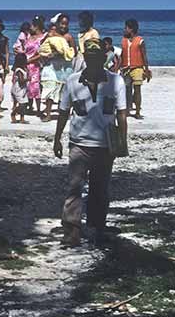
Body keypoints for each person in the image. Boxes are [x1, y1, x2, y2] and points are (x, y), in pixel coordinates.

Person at [53, 41, 128, 247]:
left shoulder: (116, 81)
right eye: (90, 56)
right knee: (74, 187)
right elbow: (63, 111)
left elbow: (122, 114)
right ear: (84, 57)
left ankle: (97, 227)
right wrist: (57, 138)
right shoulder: (72, 81)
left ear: (104, 57)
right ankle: (72, 230)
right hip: (79, 143)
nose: (93, 60)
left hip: (105, 145)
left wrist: (122, 141)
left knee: (100, 189)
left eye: (97, 57)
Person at [32, 13, 76, 121]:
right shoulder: (51, 34)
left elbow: (74, 51)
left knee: (63, 90)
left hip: (64, 67)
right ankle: (48, 113)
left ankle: (63, 113)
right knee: (49, 88)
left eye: (66, 24)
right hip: (51, 65)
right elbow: (42, 46)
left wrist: (60, 53)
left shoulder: (69, 37)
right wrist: (47, 54)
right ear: (57, 23)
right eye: (62, 24)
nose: (63, 26)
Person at [120, 18, 151, 119]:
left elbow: (144, 56)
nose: (124, 29)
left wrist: (146, 70)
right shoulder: (124, 40)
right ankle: (128, 109)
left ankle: (137, 111)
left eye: (126, 28)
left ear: (131, 29)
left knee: (137, 90)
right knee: (126, 90)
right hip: (125, 69)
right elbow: (122, 55)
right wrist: (118, 68)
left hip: (137, 68)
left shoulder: (140, 41)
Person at [23, 17, 45, 115]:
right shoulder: (28, 36)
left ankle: (39, 109)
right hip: (25, 64)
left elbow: (42, 53)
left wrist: (29, 60)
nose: (30, 27)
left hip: (35, 65)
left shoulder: (43, 37)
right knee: (27, 86)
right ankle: (30, 106)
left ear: (36, 27)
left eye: (32, 26)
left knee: (35, 87)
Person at [10, 52, 30, 124]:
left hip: (22, 89)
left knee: (24, 104)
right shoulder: (19, 70)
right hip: (18, 89)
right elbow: (21, 81)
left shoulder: (24, 69)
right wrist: (28, 79)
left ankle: (22, 118)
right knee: (22, 104)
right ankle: (13, 113)